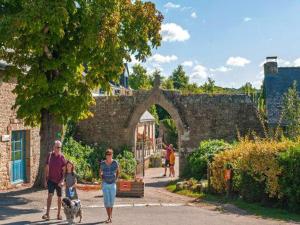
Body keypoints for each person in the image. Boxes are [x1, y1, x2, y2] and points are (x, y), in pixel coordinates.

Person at [42, 140, 67, 221]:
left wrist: (62, 180)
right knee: (50, 195)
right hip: (51, 180)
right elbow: (46, 168)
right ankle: (47, 214)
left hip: (59, 181)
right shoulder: (50, 155)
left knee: (59, 198)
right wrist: (45, 180)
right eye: (57, 147)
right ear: (54, 147)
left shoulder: (62, 157)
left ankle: (58, 214)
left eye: (60, 147)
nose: (58, 148)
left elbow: (64, 171)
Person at [99, 148, 119, 223]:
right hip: (105, 184)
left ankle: (110, 215)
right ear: (106, 156)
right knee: (107, 201)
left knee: (111, 201)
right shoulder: (103, 163)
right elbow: (100, 172)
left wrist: (116, 178)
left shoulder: (115, 162)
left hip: (113, 183)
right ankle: (109, 217)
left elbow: (118, 171)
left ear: (112, 155)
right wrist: (102, 179)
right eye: (107, 155)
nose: (109, 156)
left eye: (110, 155)